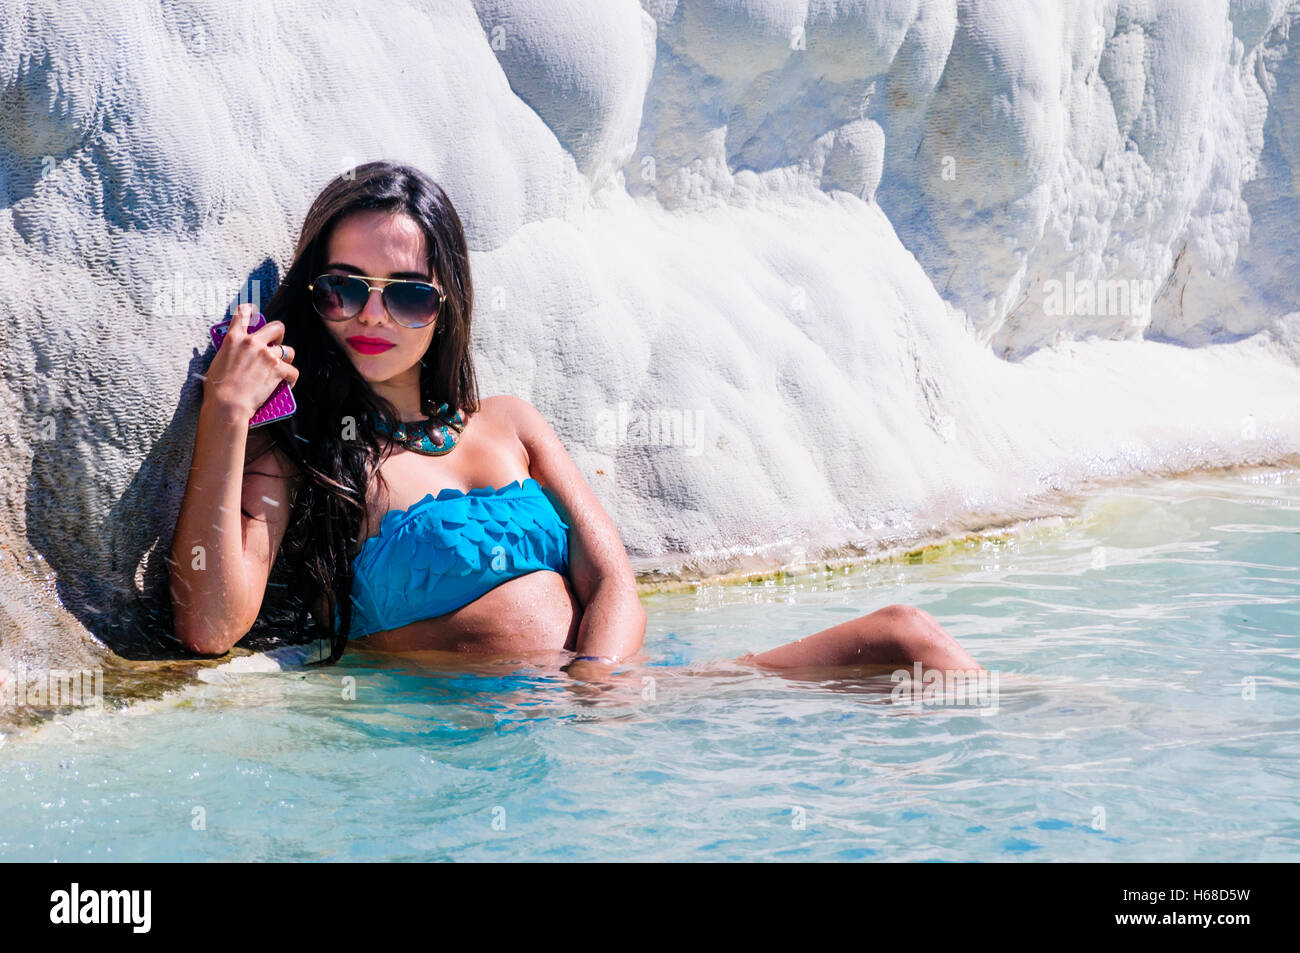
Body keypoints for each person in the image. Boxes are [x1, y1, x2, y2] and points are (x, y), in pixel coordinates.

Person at [168, 161, 982, 681]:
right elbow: (210, 626)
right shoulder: (308, 451)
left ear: (445, 308)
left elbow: (614, 581)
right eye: (344, 288)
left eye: (406, 293)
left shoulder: (510, 424)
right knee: (903, 645)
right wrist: (227, 413)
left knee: (907, 636)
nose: (371, 316)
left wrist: (596, 690)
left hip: (602, 708)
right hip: (474, 742)